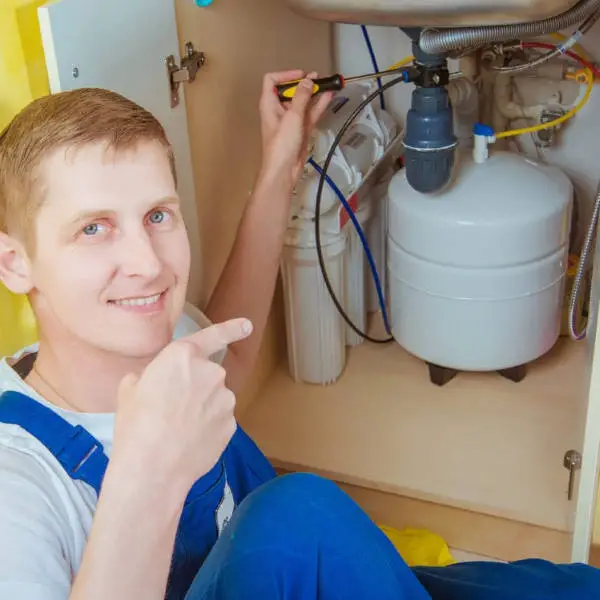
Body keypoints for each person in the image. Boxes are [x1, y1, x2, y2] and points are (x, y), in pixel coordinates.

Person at [0, 70, 598, 600]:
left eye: (158, 215)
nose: (148, 263)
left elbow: (227, 355)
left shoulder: (155, 337)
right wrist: (145, 478)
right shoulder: (17, 484)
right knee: (294, 519)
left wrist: (281, 165)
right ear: (13, 263)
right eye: (93, 229)